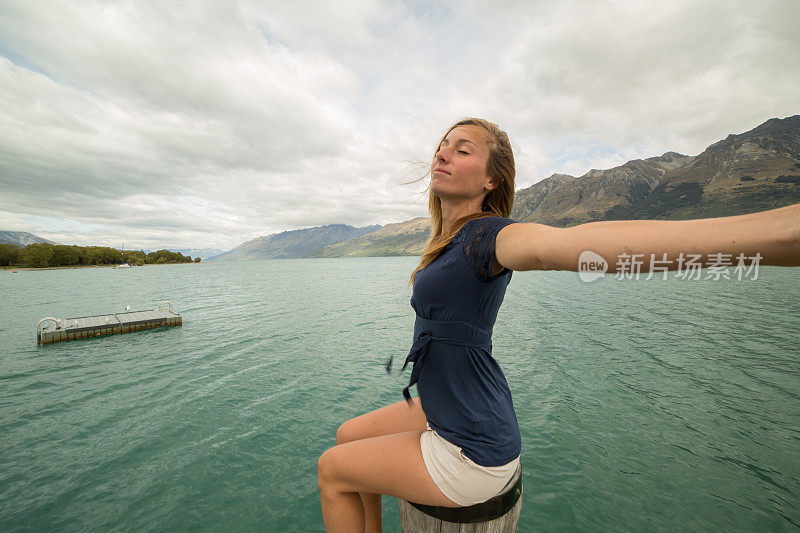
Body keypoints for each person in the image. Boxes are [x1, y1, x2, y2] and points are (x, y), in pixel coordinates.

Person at [316, 118, 800, 532]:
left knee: (333, 471)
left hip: (473, 447)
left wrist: (770, 236)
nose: (442, 153)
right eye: (442, 145)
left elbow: (564, 246)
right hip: (453, 403)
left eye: (462, 149)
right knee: (345, 438)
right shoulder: (450, 239)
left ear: (491, 180)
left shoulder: (490, 236)